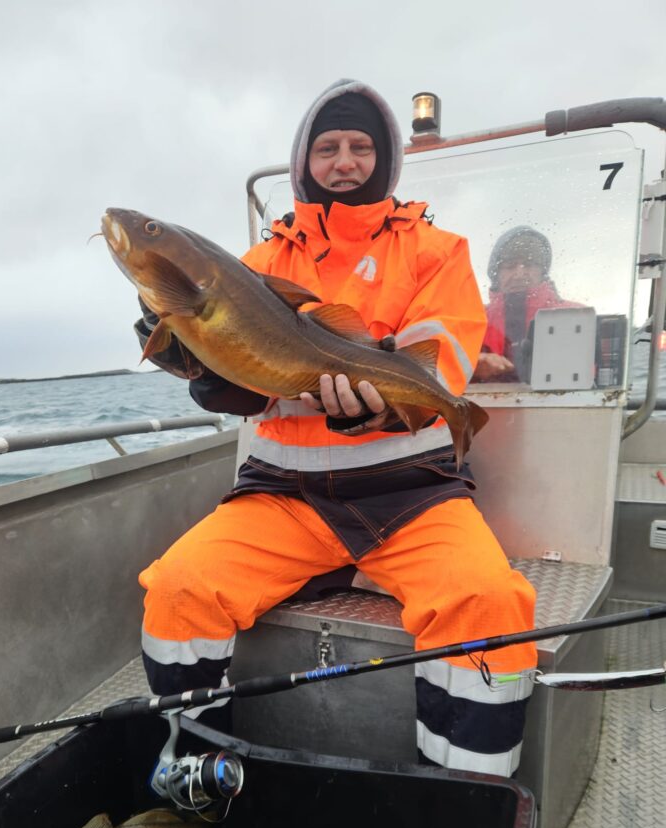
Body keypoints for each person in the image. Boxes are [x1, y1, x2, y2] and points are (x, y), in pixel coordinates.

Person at [134, 80, 537, 777]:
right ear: (304, 163)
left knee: (489, 602)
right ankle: (199, 780)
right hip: (283, 496)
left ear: (384, 160)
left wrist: (383, 405)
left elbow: (441, 356)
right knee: (179, 587)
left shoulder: (436, 251)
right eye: (327, 148)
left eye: (360, 147)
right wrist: (194, 362)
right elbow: (242, 384)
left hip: (412, 494)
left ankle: (468, 799)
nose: (344, 161)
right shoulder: (258, 264)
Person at [474, 226, 579, 383]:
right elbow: (445, 369)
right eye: (509, 266)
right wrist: (473, 365)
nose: (519, 274)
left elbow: (595, 376)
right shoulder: (474, 321)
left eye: (529, 264)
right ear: (496, 274)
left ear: (542, 271)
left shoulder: (577, 316)